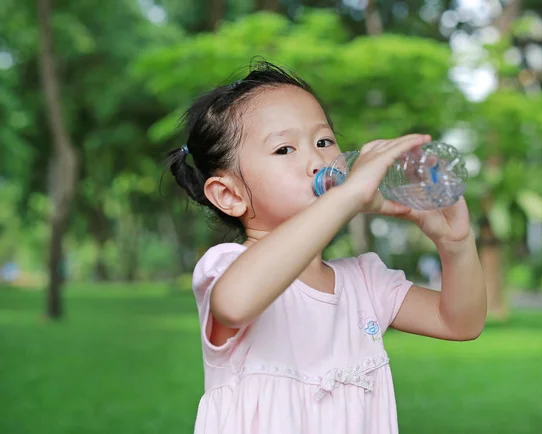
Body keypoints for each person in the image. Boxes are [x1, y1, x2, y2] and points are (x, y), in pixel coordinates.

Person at [166, 61, 487, 434]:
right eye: (284, 149)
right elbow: (234, 304)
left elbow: (459, 322)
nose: (317, 161)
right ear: (229, 195)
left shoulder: (364, 282)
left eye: (324, 142)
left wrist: (456, 245)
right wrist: (347, 196)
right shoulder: (229, 267)